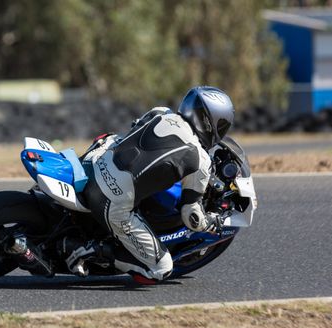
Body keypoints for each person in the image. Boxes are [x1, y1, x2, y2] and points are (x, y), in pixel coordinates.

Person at [60, 86, 235, 284]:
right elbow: (191, 217)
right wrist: (211, 223)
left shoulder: (160, 112)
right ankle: (87, 250)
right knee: (162, 268)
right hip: (109, 200)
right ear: (210, 122)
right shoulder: (201, 160)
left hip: (94, 161)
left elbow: (138, 138)